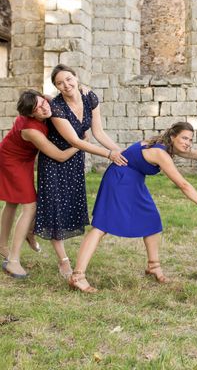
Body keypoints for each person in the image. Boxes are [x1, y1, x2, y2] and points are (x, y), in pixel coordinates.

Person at [68, 122, 197, 293]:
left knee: (151, 219)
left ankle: (154, 266)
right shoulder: (160, 152)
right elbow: (183, 184)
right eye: (184, 138)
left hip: (133, 180)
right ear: (173, 136)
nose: (187, 143)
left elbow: (196, 154)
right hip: (120, 180)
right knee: (101, 226)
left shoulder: (164, 145)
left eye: (190, 139)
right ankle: (77, 276)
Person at [35, 64, 127, 279]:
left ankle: (32, 229)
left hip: (75, 160)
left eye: (68, 79)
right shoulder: (56, 108)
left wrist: (118, 150)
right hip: (55, 161)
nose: (66, 85)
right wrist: (108, 155)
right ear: (56, 87)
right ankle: (64, 262)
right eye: (60, 83)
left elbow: (98, 132)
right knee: (55, 210)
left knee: (69, 206)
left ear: (76, 78)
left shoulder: (90, 97)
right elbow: (75, 140)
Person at [0, 90, 79, 278]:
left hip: (23, 159)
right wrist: (79, 144)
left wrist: (77, 90)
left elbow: (52, 97)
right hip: (11, 160)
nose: (44, 108)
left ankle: (3, 244)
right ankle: (13, 261)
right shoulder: (31, 129)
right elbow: (59, 156)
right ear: (30, 114)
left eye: (43, 102)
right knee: (30, 206)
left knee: (12, 202)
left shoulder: (45, 103)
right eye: (38, 109)